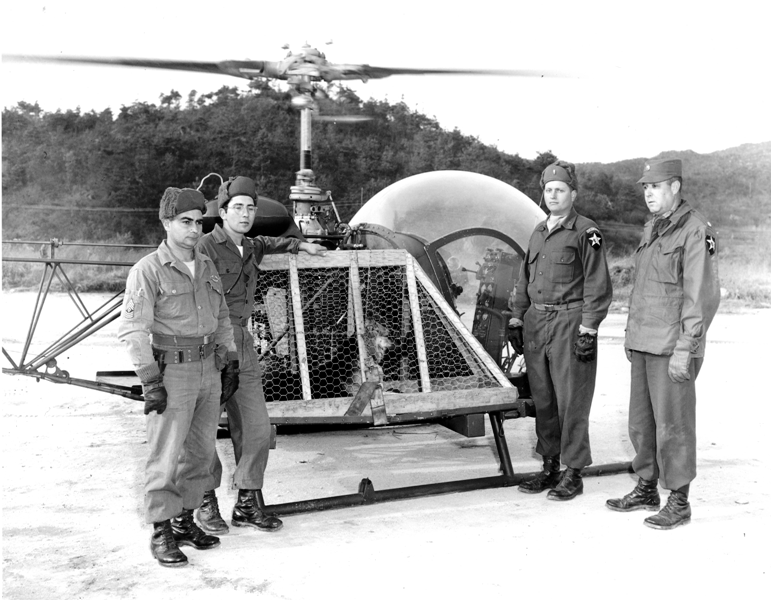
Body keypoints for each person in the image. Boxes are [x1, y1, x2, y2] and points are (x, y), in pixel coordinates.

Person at [195, 176, 326, 534]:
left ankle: (247, 504)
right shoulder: (204, 247)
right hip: (210, 342)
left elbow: (270, 242)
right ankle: (205, 501)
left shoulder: (251, 247)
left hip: (243, 343)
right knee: (204, 427)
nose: (245, 214)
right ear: (222, 213)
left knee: (256, 426)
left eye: (250, 208)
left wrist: (302, 247)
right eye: (237, 207)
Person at [118, 187, 240, 568]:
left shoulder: (205, 265)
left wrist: (231, 359)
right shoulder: (148, 270)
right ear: (167, 223)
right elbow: (133, 329)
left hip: (209, 368)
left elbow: (221, 317)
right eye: (184, 222)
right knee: (166, 455)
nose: (192, 229)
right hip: (173, 372)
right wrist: (151, 380)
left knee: (201, 453)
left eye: (198, 222)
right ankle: (161, 530)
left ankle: (185, 520)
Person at [607, 158, 720, 529]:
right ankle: (646, 487)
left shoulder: (693, 230)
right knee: (641, 423)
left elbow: (700, 296)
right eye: (645, 188)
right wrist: (630, 334)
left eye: (655, 186)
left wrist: (686, 348)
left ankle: (679, 501)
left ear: (675, 186)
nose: (648, 194)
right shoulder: (654, 227)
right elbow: (645, 289)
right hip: (644, 340)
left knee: (674, 425)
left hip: (672, 345)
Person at [508, 160, 612, 501]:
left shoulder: (586, 231)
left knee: (572, 401)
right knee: (544, 398)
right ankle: (550, 467)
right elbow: (525, 278)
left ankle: (574, 472)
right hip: (538, 322)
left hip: (570, 323)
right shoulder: (538, 231)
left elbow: (598, 284)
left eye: (560, 190)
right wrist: (516, 318)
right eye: (548, 190)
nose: (553, 195)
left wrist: (589, 329)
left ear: (573, 194)